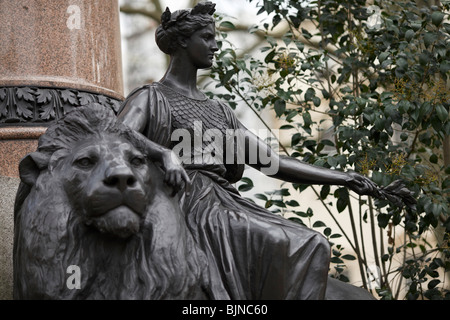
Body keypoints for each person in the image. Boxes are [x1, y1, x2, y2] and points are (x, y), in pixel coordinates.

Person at [117, 1, 380, 300]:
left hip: (223, 200)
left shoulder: (219, 110)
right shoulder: (151, 97)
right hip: (188, 202)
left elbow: (273, 162)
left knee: (313, 242)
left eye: (216, 38)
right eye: (207, 38)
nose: (216, 45)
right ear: (181, 42)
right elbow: (114, 132)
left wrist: (343, 178)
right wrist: (163, 153)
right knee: (284, 240)